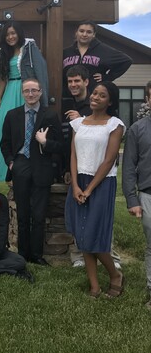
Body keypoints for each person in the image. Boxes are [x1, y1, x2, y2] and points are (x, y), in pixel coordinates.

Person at [65, 82, 125, 298]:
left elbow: (109, 160)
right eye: (95, 93)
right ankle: (94, 286)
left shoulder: (115, 125)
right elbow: (73, 156)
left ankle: (115, 275)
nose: (95, 97)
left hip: (102, 182)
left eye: (102, 95)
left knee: (93, 234)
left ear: (110, 101)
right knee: (82, 235)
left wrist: (89, 189)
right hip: (79, 180)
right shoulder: (78, 124)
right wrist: (75, 185)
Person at [1, 78, 62, 265]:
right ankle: (23, 254)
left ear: (40, 92)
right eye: (26, 91)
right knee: (23, 215)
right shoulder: (12, 115)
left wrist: (45, 143)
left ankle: (36, 255)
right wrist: (11, 162)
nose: (30, 94)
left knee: (38, 215)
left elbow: (60, 145)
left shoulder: (50, 115)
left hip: (42, 167)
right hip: (20, 165)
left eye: (34, 90)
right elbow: (5, 143)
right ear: (22, 93)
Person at [0, 21, 49, 182]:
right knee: (4, 130)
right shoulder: (3, 52)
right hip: (9, 91)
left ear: (19, 33)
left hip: (25, 90)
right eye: (7, 34)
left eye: (13, 33)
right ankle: (5, 171)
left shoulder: (30, 48)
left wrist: (41, 96)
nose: (10, 37)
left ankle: (25, 166)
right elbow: (3, 76)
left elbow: (40, 70)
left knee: (25, 128)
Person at [122, 81, 151, 308]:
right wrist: (132, 199)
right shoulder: (137, 129)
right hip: (148, 195)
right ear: (148, 100)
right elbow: (129, 167)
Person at [62, 20, 132, 97]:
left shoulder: (103, 50)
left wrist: (108, 77)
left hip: (93, 97)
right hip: (69, 97)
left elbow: (126, 60)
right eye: (81, 31)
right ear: (76, 33)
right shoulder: (66, 52)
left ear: (94, 34)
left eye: (89, 32)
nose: (84, 34)